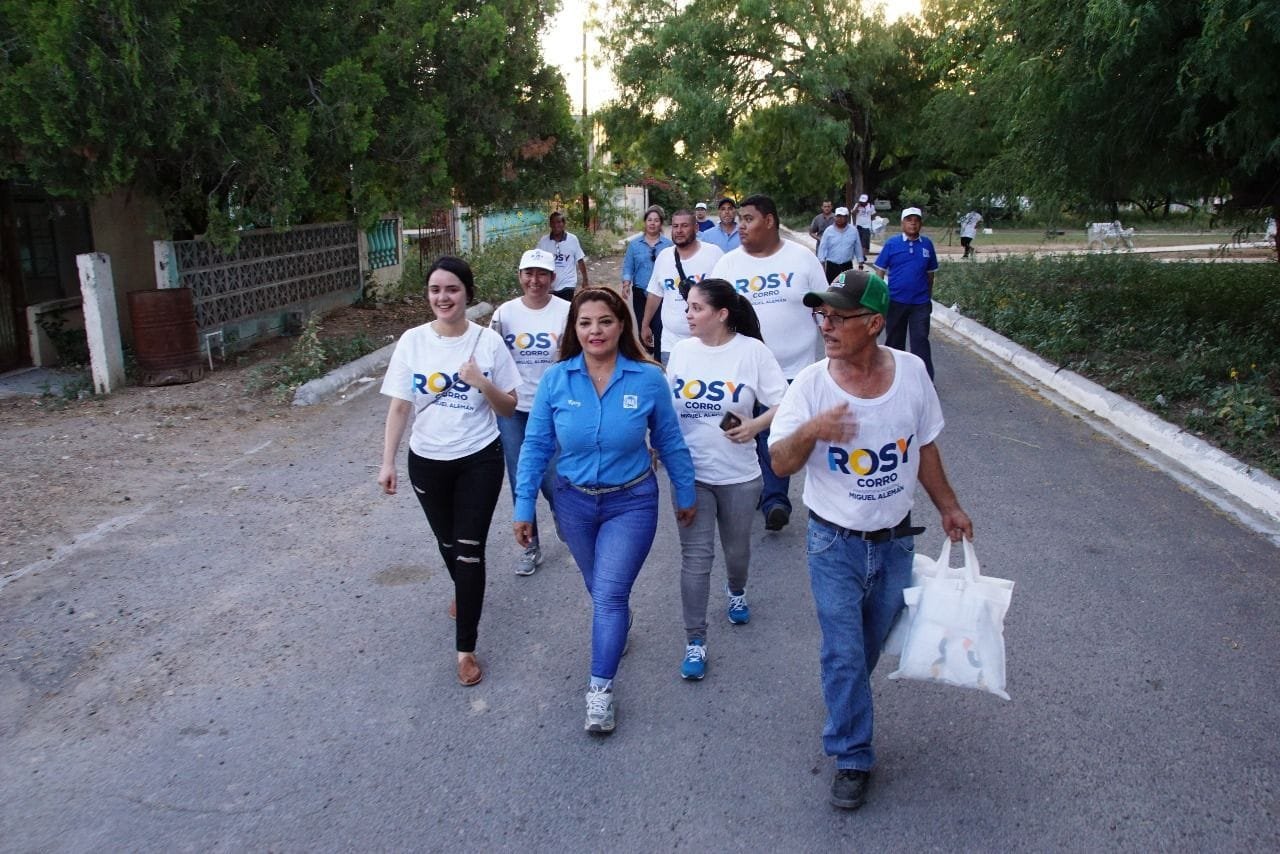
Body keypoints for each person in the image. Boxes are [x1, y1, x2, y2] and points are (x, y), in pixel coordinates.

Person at [768, 269, 974, 811]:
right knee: (843, 651)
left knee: (865, 647)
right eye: (822, 315)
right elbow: (780, 463)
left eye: (839, 317)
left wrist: (949, 506)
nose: (826, 326)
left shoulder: (912, 373)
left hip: (896, 541)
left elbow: (923, 446)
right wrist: (813, 429)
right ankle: (852, 754)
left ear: (875, 323)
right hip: (833, 543)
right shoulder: (811, 385)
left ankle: (844, 701)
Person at [514, 287, 696, 734]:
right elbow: (535, 446)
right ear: (574, 329)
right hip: (573, 502)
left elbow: (669, 440)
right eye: (585, 323)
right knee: (600, 590)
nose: (595, 331)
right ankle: (616, 623)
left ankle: (600, 690)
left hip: (630, 502)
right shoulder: (557, 380)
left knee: (610, 595)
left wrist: (685, 491)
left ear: (621, 326)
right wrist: (523, 506)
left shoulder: (647, 378)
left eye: (605, 321)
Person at [377, 256, 520, 688]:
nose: (443, 297)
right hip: (426, 460)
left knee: (469, 550)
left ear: (467, 294)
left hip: (479, 458)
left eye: (452, 289)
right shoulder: (413, 341)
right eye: (435, 289)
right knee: (448, 543)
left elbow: (509, 407)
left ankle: (465, 649)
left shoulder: (488, 343)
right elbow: (400, 406)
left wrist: (483, 383)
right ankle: (465, 589)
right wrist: (387, 461)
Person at [666, 279, 787, 681]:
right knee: (695, 559)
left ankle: (736, 591)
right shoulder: (682, 352)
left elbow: (785, 401)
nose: (688, 314)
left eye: (696, 308)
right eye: (687, 307)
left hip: (740, 476)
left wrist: (755, 425)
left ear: (721, 314)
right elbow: (665, 407)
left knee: (736, 553)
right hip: (691, 477)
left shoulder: (753, 352)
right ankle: (695, 641)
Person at [710, 193, 826, 532]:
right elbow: (714, 317)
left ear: (770, 221)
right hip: (742, 371)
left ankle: (775, 499)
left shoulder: (802, 259)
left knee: (777, 432)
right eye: (739, 220)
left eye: (748, 219)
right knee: (745, 431)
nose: (740, 226)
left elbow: (824, 309)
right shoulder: (728, 265)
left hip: (793, 371)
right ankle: (755, 489)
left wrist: (835, 352)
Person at [490, 248, 572, 576]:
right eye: (529, 273)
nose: (534, 280)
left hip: (553, 408)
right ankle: (530, 545)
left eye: (542, 274)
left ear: (553, 278)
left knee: (554, 475)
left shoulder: (567, 311)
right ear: (520, 276)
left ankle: (562, 513)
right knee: (520, 477)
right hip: (514, 409)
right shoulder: (504, 314)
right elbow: (491, 356)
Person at [640, 208, 724, 363]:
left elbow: (726, 295)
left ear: (696, 228)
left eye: (685, 226)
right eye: (675, 226)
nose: (679, 230)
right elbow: (655, 294)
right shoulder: (664, 257)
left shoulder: (714, 254)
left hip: (708, 342)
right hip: (671, 345)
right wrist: (645, 325)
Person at [874, 207, 940, 380]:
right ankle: (894, 378)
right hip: (896, 301)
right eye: (909, 220)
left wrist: (928, 297)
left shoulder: (927, 244)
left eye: (916, 220)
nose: (913, 223)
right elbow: (880, 270)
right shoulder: (892, 244)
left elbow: (930, 274)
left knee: (920, 340)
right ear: (902, 223)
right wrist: (881, 297)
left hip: (920, 303)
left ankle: (925, 380)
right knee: (895, 341)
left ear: (921, 224)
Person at [621, 205, 673, 356]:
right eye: (649, 220)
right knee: (643, 326)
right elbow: (628, 266)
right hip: (640, 292)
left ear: (660, 223)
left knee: (659, 326)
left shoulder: (668, 245)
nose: (652, 223)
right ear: (645, 222)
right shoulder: (634, 245)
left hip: (661, 294)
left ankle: (658, 359)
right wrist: (626, 284)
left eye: (656, 220)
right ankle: (645, 356)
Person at [537, 211, 589, 300]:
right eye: (553, 222)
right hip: (550, 285)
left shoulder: (572, 239)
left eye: (558, 222)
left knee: (565, 307)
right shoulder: (544, 241)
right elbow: (537, 261)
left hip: (568, 283)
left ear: (564, 224)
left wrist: (585, 280)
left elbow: (580, 260)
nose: (556, 225)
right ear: (550, 224)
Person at [817, 206, 865, 283]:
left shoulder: (853, 230)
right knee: (831, 286)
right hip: (832, 266)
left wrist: (860, 264)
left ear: (847, 217)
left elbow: (858, 247)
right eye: (838, 216)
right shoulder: (828, 231)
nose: (839, 219)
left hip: (847, 266)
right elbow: (822, 248)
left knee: (846, 286)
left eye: (842, 216)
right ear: (835, 217)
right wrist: (821, 264)